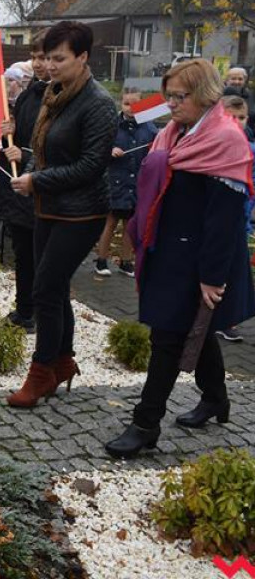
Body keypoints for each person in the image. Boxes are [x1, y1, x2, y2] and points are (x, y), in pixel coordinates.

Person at [105, 59, 255, 458]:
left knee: (168, 337)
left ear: (204, 95)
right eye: (168, 95)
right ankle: (216, 398)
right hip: (169, 250)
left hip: (200, 259)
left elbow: (224, 220)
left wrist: (212, 277)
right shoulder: (174, 132)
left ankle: (145, 424)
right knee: (195, 329)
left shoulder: (226, 140)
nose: (170, 104)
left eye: (179, 96)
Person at [8, 21, 117, 408]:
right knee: (53, 288)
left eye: (59, 59)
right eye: (47, 58)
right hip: (49, 207)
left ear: (82, 57)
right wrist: (29, 167)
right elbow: (44, 149)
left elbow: (91, 165)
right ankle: (63, 361)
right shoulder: (53, 94)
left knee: (44, 289)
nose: (51, 66)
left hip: (82, 213)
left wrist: (37, 180)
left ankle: (40, 374)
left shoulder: (99, 103)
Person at [0, 35, 49, 333]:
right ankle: (24, 308)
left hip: (42, 190)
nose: (39, 63)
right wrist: (11, 130)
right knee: (23, 254)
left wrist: (26, 154)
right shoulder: (31, 93)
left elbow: (58, 146)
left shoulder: (59, 97)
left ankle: (40, 311)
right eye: (35, 57)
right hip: (20, 191)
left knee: (40, 257)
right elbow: (22, 134)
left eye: (45, 57)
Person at [94, 90, 157, 278]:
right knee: (110, 222)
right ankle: (101, 259)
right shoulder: (112, 125)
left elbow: (156, 149)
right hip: (115, 182)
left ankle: (126, 261)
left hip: (136, 183)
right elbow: (97, 148)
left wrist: (154, 150)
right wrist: (110, 150)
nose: (130, 108)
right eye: (126, 104)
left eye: (135, 104)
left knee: (130, 225)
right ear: (120, 104)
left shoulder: (149, 128)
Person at [216, 93, 254, 344]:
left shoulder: (250, 148)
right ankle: (217, 319)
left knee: (236, 273)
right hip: (221, 219)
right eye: (232, 118)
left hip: (242, 218)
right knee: (219, 269)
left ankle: (228, 320)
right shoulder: (216, 147)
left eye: (242, 118)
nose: (238, 122)